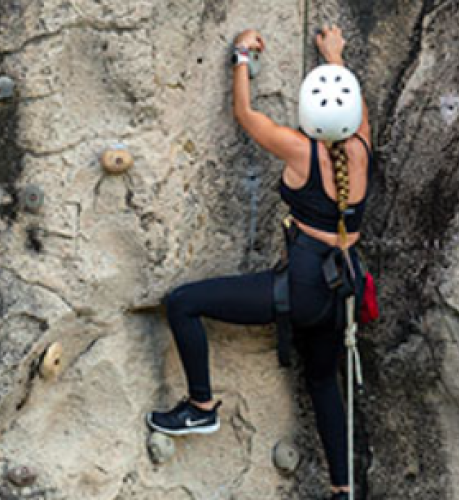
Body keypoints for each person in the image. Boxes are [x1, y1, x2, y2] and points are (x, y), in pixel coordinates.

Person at [145, 25, 372, 500]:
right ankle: (341, 489)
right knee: (322, 382)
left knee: (183, 302)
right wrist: (334, 57)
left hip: (306, 286)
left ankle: (201, 405)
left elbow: (246, 115)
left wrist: (242, 54)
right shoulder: (361, 149)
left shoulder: (300, 150)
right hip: (342, 290)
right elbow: (352, 110)